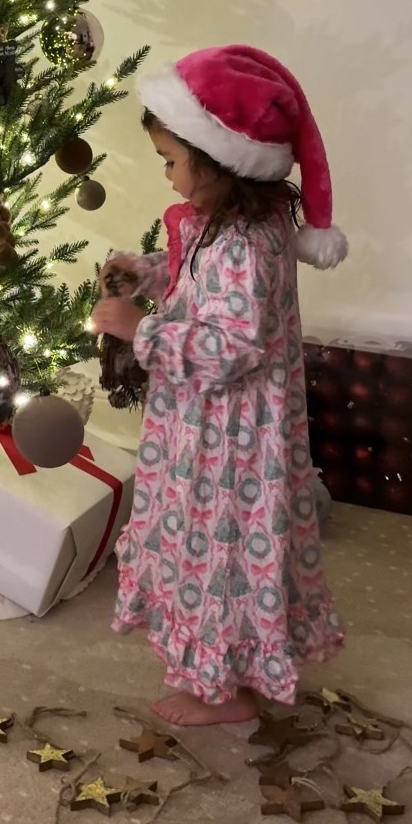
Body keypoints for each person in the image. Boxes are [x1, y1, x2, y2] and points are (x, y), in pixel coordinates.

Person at [92, 45, 345, 726]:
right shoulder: (227, 225)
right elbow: (196, 287)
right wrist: (146, 273)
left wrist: (140, 330)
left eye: (173, 161)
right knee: (218, 556)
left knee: (219, 557)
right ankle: (240, 668)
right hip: (213, 432)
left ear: (222, 160)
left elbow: (232, 344)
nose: (169, 176)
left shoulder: (248, 244)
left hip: (231, 450)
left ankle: (222, 688)